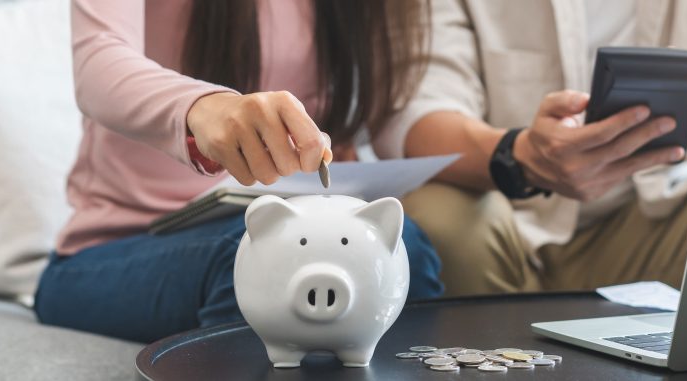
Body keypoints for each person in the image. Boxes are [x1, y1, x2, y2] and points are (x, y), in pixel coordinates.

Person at [34, 0, 442, 344]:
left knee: (406, 250)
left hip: (271, 223)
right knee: (262, 262)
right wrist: (205, 107)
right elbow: (98, 62)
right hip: (114, 251)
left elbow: (387, 109)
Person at [379, 1, 687, 296]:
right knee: (437, 217)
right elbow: (419, 109)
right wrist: (522, 156)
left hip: (669, 215)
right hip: (509, 214)